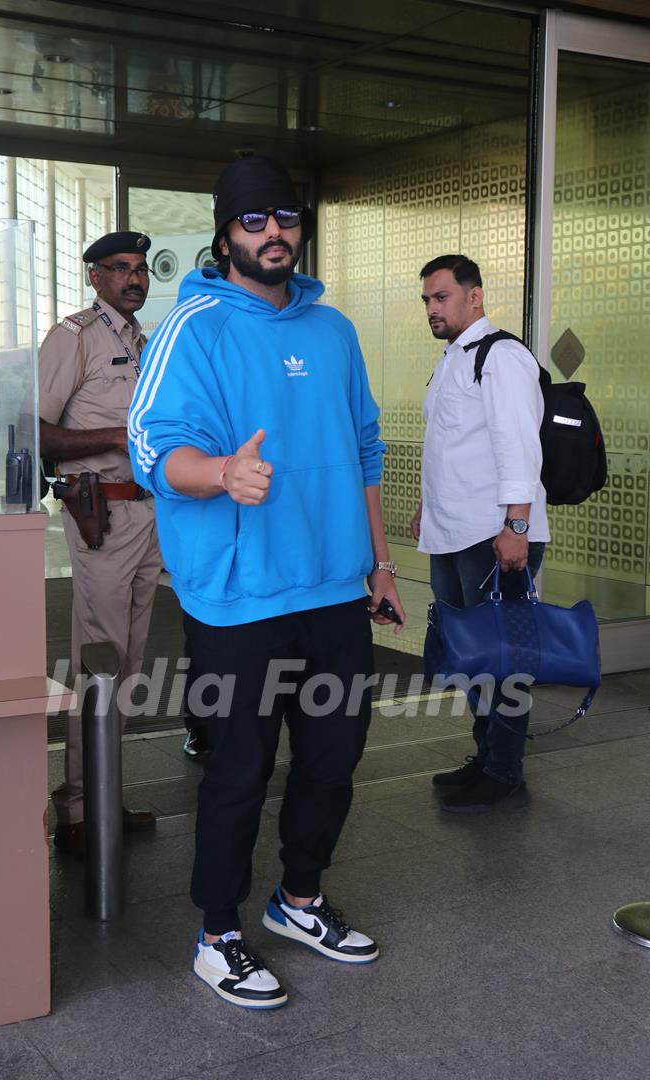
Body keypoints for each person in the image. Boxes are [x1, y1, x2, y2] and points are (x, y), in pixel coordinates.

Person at [127, 155, 404, 1009]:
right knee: (239, 769)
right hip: (239, 598)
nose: (273, 232)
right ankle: (218, 932)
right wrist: (217, 474)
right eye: (255, 220)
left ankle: (299, 900)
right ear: (225, 234)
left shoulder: (335, 331)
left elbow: (365, 451)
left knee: (333, 758)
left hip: (332, 590)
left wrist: (381, 563)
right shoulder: (196, 326)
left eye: (285, 217)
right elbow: (149, 445)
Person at [39, 231, 163, 856]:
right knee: (100, 661)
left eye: (140, 269)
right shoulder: (75, 337)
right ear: (94, 277)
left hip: (148, 518)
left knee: (131, 663)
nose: (134, 278)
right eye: (121, 269)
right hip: (101, 519)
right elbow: (37, 433)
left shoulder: (145, 340)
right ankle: (79, 808)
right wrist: (121, 433)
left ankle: (104, 796)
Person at [413, 254, 550, 813]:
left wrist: (516, 525)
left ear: (475, 296)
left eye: (441, 297)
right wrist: (427, 507)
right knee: (471, 656)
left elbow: (517, 444)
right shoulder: (452, 359)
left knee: (503, 658)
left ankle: (504, 771)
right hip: (452, 532)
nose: (431, 309)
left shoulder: (502, 356)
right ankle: (486, 756)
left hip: (494, 535)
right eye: (426, 300)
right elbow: (448, 445)